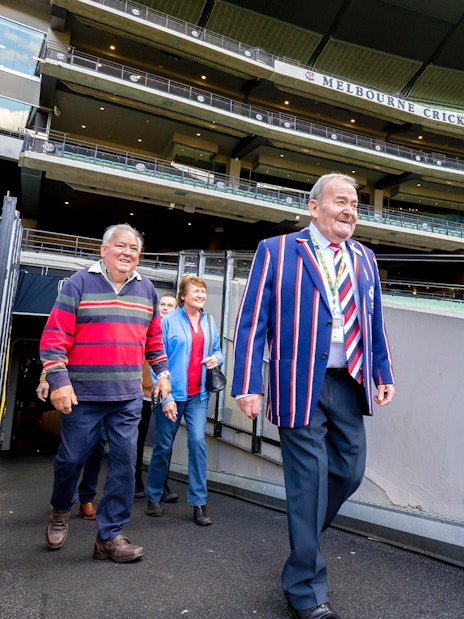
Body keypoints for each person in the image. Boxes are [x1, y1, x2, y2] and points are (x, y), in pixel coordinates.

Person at [231, 173, 395, 619]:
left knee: (349, 470)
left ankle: (303, 539)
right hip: (298, 383)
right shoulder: (277, 250)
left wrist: (383, 371)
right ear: (313, 206)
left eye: (356, 205)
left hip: (348, 379)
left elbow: (374, 321)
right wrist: (248, 383)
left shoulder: (365, 257)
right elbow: (251, 321)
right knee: (307, 484)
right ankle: (305, 590)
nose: (350, 211)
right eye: (340, 201)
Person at [40, 223, 171, 562]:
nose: (128, 253)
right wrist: (58, 380)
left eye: (134, 249)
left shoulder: (148, 291)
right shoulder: (78, 283)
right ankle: (59, 509)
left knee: (126, 463)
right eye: (121, 246)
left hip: (127, 395)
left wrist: (163, 374)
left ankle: (109, 536)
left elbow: (154, 340)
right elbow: (54, 338)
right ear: (103, 250)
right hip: (82, 394)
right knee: (70, 460)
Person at [145, 276, 224, 526]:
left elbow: (218, 350)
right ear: (183, 296)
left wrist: (217, 360)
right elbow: (157, 358)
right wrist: (165, 395)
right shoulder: (166, 322)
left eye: (203, 291)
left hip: (198, 395)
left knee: (198, 444)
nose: (201, 295)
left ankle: (199, 504)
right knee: (163, 447)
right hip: (171, 395)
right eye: (196, 291)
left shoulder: (209, 321)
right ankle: (154, 496)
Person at [37, 372, 107, 520]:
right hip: (74, 392)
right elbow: (56, 351)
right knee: (71, 453)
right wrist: (45, 379)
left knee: (97, 446)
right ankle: (62, 500)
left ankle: (87, 498)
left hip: (104, 393)